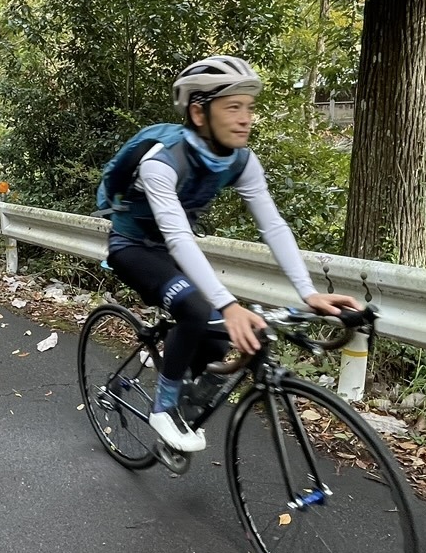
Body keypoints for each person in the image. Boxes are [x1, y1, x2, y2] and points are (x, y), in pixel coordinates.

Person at [101, 55, 361, 458]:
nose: (246, 118)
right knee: (195, 307)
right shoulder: (163, 160)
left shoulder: (241, 160)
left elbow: (272, 226)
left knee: (221, 337)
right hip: (132, 247)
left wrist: (309, 293)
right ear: (199, 112)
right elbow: (177, 236)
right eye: (233, 107)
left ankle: (188, 383)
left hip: (171, 249)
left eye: (249, 107)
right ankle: (164, 408)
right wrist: (227, 303)